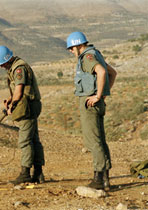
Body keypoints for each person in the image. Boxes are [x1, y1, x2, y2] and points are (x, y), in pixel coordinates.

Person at [66, 31, 117, 190]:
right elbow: (112, 73)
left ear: (78, 45)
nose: (71, 51)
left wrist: (98, 95)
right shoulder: (96, 53)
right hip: (97, 102)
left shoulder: (87, 57)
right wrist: (102, 95)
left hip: (90, 103)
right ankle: (106, 180)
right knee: (100, 140)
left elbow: (102, 72)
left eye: (71, 48)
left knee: (93, 141)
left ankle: (98, 179)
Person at [0, 45, 45, 185]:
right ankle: (38, 173)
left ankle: (25, 174)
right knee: (33, 140)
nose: (2, 67)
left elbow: (20, 91)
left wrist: (12, 106)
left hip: (28, 107)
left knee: (25, 141)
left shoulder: (19, 68)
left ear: (7, 60)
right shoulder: (15, 66)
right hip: (30, 105)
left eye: (2, 64)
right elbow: (18, 90)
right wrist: (10, 100)